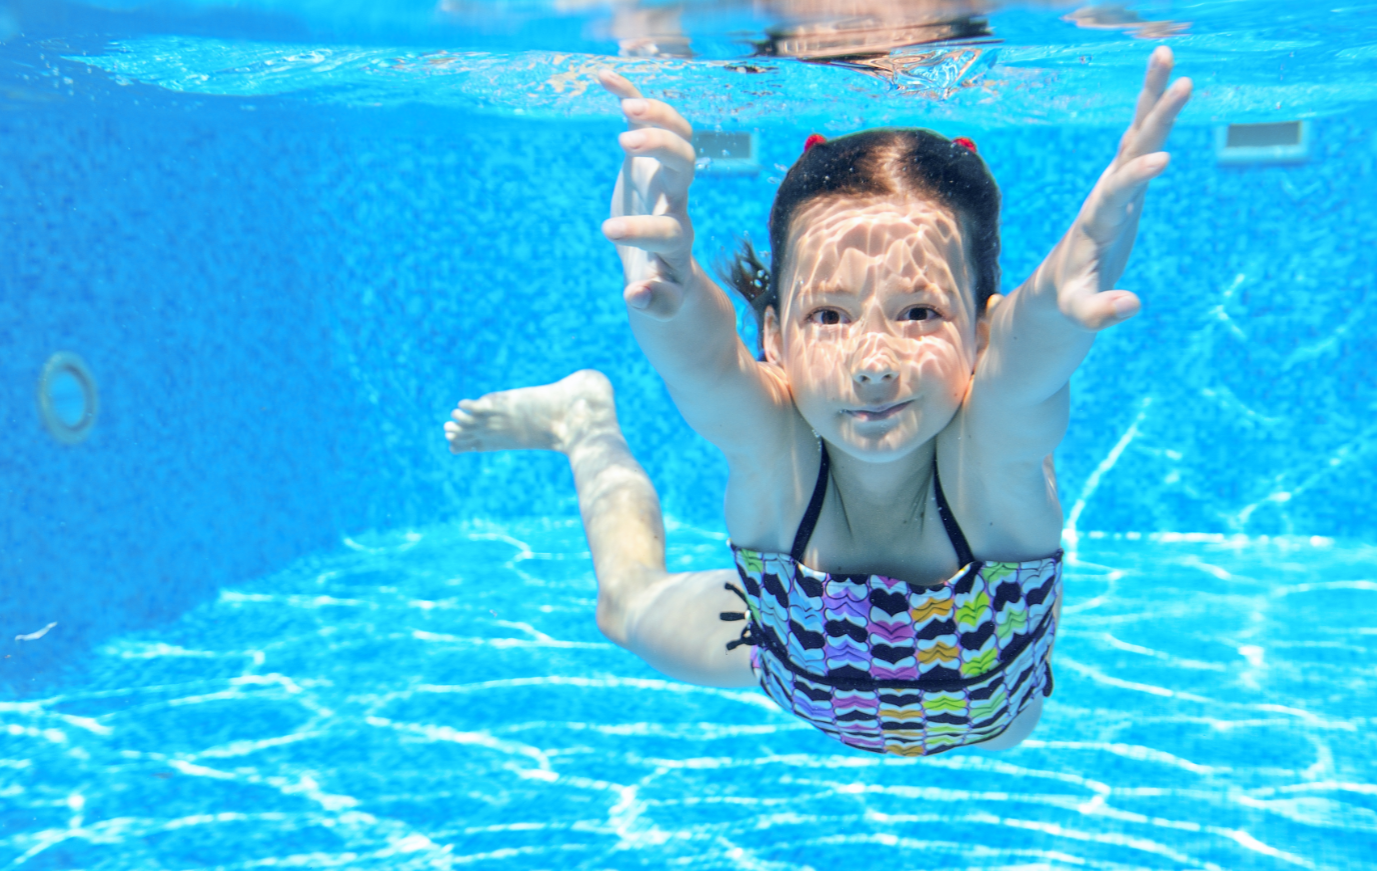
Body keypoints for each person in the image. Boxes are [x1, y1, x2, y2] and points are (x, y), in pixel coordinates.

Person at [446, 47, 1191, 756]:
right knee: (624, 605)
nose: (873, 365)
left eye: (920, 313)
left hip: (984, 716)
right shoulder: (780, 446)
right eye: (828, 316)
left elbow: (1030, 363)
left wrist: (1065, 292)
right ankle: (584, 421)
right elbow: (703, 362)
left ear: (981, 332)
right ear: (773, 334)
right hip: (778, 659)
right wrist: (663, 284)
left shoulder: (985, 460)